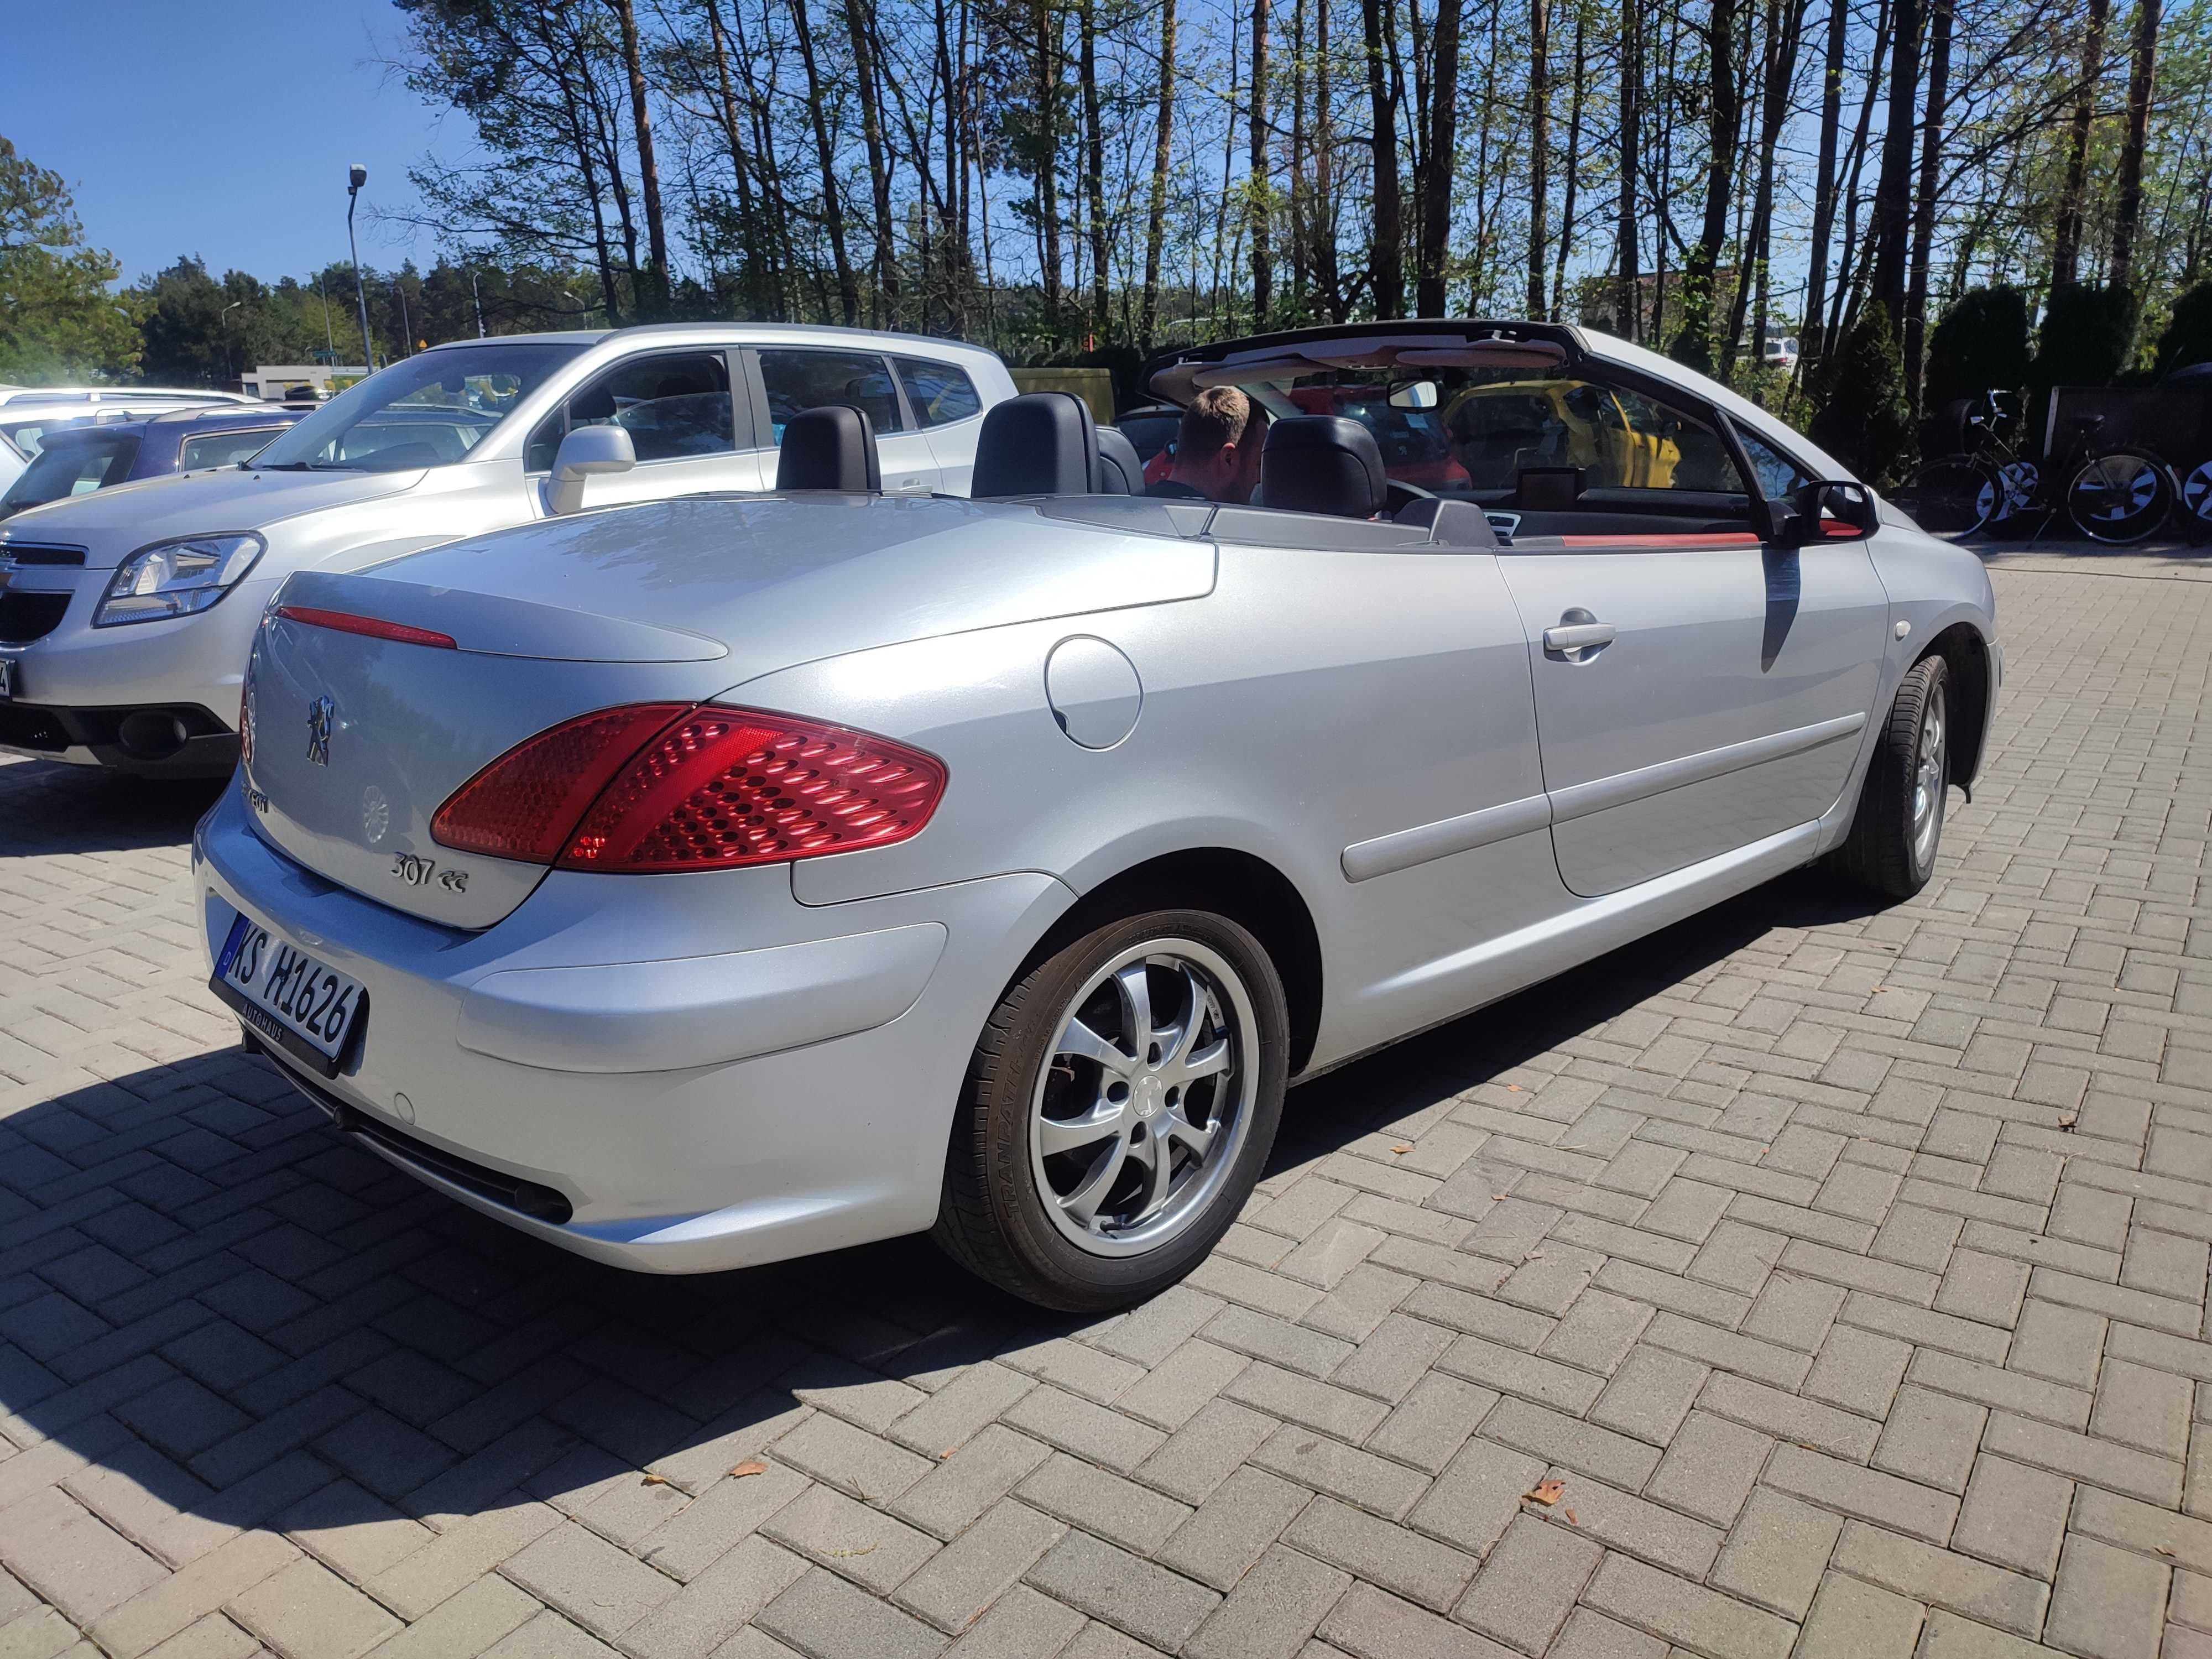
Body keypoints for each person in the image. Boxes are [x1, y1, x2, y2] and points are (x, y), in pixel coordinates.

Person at [1149, 386, 1270, 503]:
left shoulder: (1137, 503)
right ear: (1229, 459)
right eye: (1258, 464)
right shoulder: (1224, 522)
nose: (1259, 480)